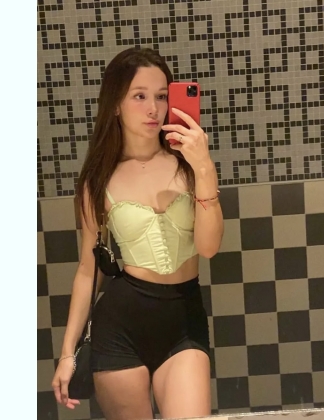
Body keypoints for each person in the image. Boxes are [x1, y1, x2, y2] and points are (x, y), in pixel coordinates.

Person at [51, 47, 224, 420]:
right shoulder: (98, 180)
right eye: (139, 96)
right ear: (115, 104)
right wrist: (67, 354)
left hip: (184, 320)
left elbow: (209, 247)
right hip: (120, 327)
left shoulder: (189, 165)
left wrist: (204, 167)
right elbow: (87, 270)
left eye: (161, 96)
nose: (153, 109)